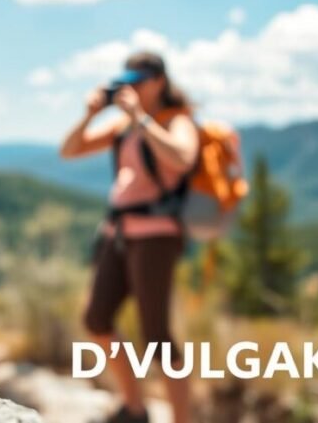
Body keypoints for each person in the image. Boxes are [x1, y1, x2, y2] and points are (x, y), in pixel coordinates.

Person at [60, 52, 198, 423]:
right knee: (97, 319)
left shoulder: (176, 120)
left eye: (139, 80)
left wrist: (141, 118)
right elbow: (69, 150)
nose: (131, 88)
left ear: (159, 82)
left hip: (157, 236)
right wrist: (90, 115)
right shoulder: (122, 126)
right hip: (118, 232)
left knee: (157, 337)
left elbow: (183, 158)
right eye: (127, 81)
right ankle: (134, 408)